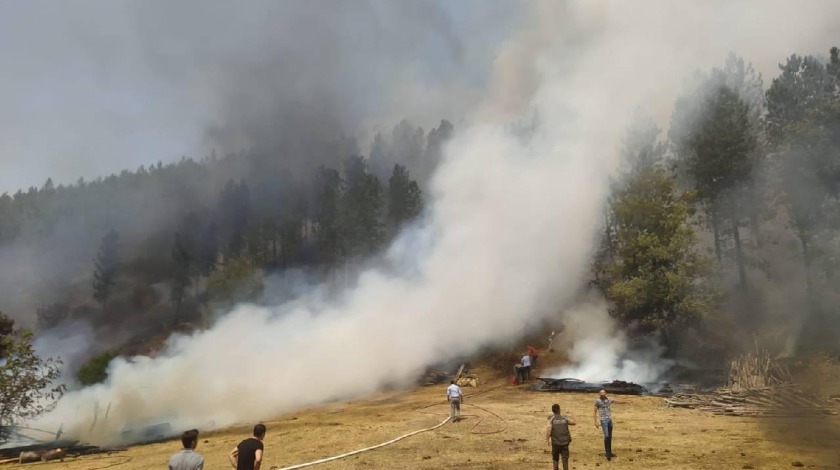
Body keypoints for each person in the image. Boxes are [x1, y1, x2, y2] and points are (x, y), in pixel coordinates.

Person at [545, 404, 576, 470]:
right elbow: (573, 422)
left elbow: (549, 429)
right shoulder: (564, 418)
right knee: (565, 459)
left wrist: (547, 439)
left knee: (555, 458)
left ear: (553, 411)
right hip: (565, 442)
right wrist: (565, 417)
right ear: (559, 410)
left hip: (556, 442)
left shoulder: (551, 419)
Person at [593, 389, 615, 461]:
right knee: (607, 436)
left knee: (610, 437)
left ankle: (609, 452)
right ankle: (608, 453)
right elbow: (594, 411)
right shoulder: (598, 401)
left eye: (603, 393)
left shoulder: (609, 399)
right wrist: (596, 422)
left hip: (609, 420)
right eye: (601, 393)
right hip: (603, 420)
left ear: (605, 393)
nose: (602, 394)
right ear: (599, 394)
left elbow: (616, 401)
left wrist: (626, 401)